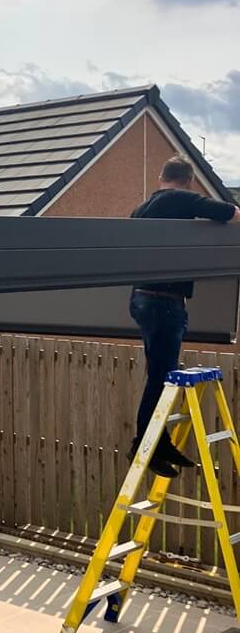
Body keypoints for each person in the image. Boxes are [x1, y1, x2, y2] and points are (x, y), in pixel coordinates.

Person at [129, 154, 240, 477]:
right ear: (189, 180)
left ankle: (160, 441)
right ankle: (145, 445)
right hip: (165, 303)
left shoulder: (140, 210)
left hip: (141, 298)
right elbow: (231, 213)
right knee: (160, 378)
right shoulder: (181, 198)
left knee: (159, 373)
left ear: (161, 177)